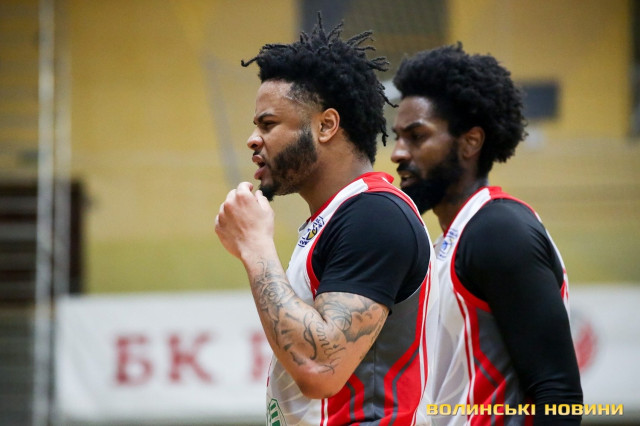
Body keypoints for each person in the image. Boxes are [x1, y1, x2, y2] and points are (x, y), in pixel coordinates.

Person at [215, 16, 439, 426]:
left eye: (268, 124)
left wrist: (255, 247)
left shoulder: (375, 215)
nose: (253, 139)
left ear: (326, 125)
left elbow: (321, 369)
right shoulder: (337, 217)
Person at [390, 43, 583, 425]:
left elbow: (558, 393)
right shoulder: (446, 243)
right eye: (397, 136)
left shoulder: (499, 231)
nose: (397, 153)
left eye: (416, 136)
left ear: (470, 142)